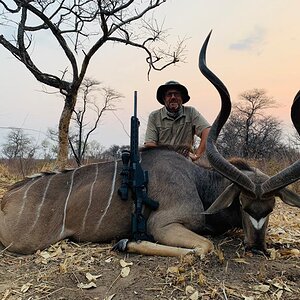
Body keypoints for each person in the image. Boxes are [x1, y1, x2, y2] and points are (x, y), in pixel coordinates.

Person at [144, 80, 210, 161]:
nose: (173, 97)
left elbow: (207, 131)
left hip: (186, 161)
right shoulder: (154, 116)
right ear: (164, 99)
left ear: (182, 98)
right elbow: (150, 144)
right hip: (163, 161)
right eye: (169, 95)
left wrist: (197, 155)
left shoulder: (191, 112)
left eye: (176, 94)